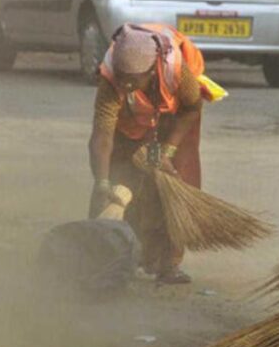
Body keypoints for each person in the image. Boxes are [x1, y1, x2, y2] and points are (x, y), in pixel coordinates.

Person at [89, 23, 226, 285]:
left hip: (175, 119)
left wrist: (167, 150)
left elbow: (192, 108)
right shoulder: (111, 78)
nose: (126, 84)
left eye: (133, 80)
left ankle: (169, 263)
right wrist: (103, 182)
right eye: (122, 78)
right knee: (123, 178)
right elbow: (103, 134)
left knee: (173, 181)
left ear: (152, 71)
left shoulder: (176, 71)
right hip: (131, 124)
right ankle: (118, 256)